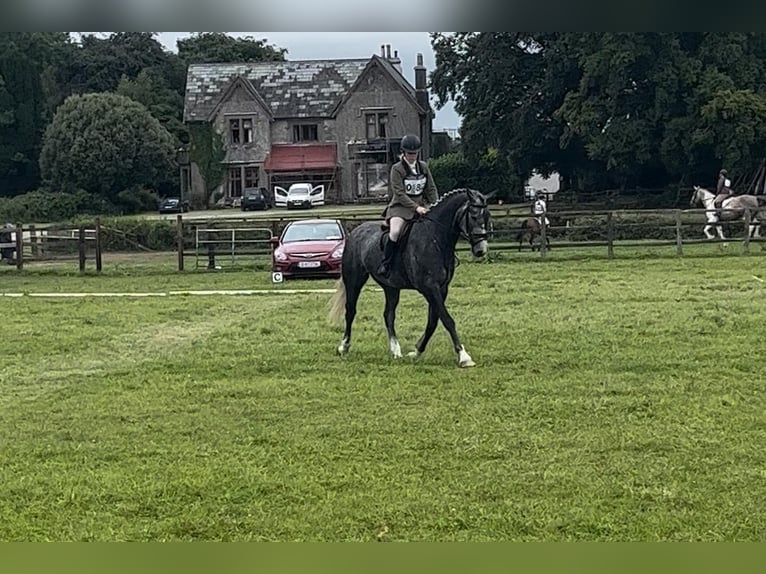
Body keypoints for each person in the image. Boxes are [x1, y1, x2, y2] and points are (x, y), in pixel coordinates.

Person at [377, 134, 438, 277]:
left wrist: (435, 205)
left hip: (422, 207)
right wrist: (416, 208)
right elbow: (399, 194)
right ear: (403, 153)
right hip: (400, 208)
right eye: (410, 153)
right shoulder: (397, 169)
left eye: (415, 153)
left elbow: (431, 188)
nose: (412, 156)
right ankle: (386, 263)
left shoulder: (423, 167)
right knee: (395, 232)